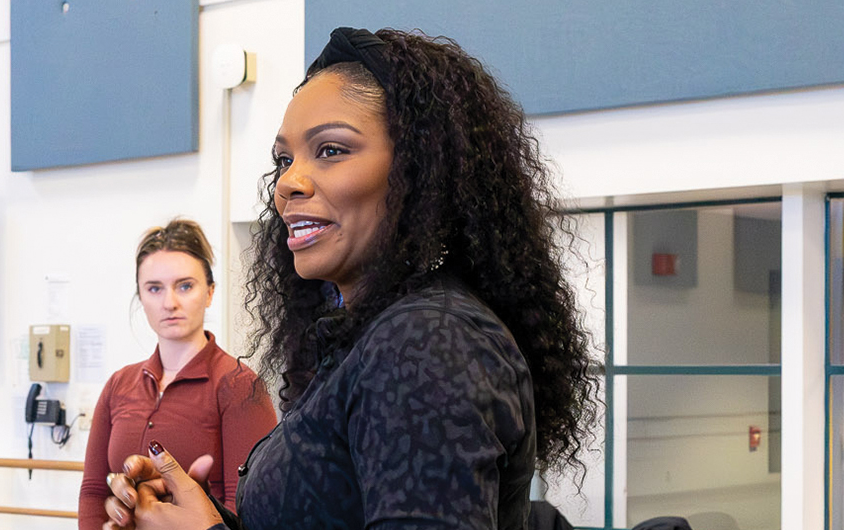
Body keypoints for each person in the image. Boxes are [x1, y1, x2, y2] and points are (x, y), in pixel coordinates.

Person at [104, 27, 601, 530]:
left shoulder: (425, 340)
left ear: (419, 170)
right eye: (284, 159)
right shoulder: (372, 334)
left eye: (331, 150)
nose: (287, 183)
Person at [79, 220, 276, 530]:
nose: (169, 303)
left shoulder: (239, 385)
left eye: (185, 286)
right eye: (154, 288)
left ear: (210, 292)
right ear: (140, 297)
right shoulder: (119, 384)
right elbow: (93, 493)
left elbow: (251, 508)